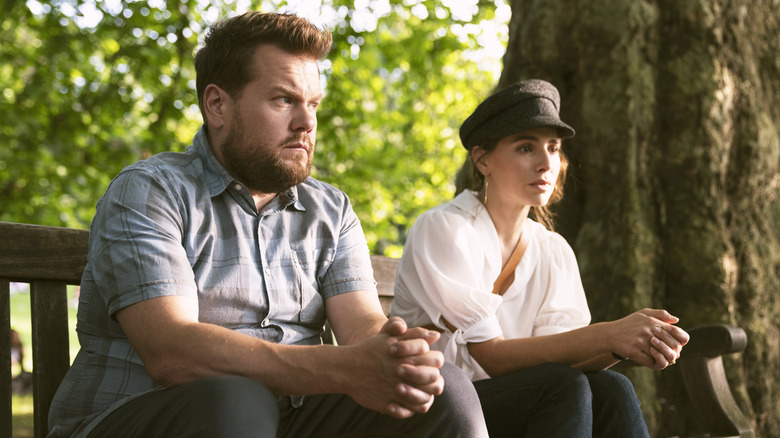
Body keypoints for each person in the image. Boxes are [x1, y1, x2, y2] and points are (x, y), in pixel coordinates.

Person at [47, 12, 488, 438]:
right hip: (144, 413)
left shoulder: (329, 209)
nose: (307, 122)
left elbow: (362, 328)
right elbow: (171, 353)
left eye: (313, 103)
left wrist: (395, 352)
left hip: (287, 413)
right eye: (284, 99)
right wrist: (344, 368)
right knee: (236, 399)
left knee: (443, 390)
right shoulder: (151, 191)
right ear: (217, 105)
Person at [391, 79, 690, 437]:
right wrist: (610, 333)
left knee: (612, 387)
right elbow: (492, 356)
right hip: (437, 407)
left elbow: (568, 356)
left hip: (515, 403)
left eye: (553, 147)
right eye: (525, 148)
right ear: (483, 159)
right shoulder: (444, 229)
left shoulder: (552, 250)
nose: (546, 162)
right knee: (561, 385)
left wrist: (624, 345)